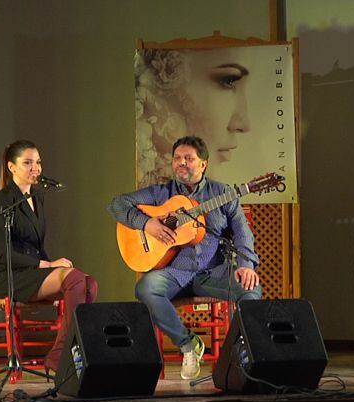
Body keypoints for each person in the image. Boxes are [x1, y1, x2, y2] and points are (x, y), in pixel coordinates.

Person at [107, 136, 261, 380]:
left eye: (189, 158)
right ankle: (189, 346)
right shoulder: (160, 193)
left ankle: (241, 358)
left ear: (203, 164)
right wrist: (147, 224)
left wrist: (246, 265)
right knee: (146, 288)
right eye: (177, 158)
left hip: (213, 270)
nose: (182, 163)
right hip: (176, 271)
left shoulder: (223, 193)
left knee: (251, 288)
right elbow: (117, 205)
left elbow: (243, 232)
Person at [0, 140, 98, 373]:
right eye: (27, 163)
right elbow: (3, 253)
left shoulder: (37, 197)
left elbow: (36, 246)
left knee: (88, 284)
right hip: (6, 275)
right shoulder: (3, 200)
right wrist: (47, 265)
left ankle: (69, 351)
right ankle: (60, 357)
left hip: (31, 272)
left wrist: (53, 274)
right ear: (11, 167)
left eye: (37, 162)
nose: (35, 168)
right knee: (74, 278)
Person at [135, 47, 253, 187]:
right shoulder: (153, 193)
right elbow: (119, 205)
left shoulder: (218, 193)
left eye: (188, 158)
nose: (244, 124)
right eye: (228, 81)